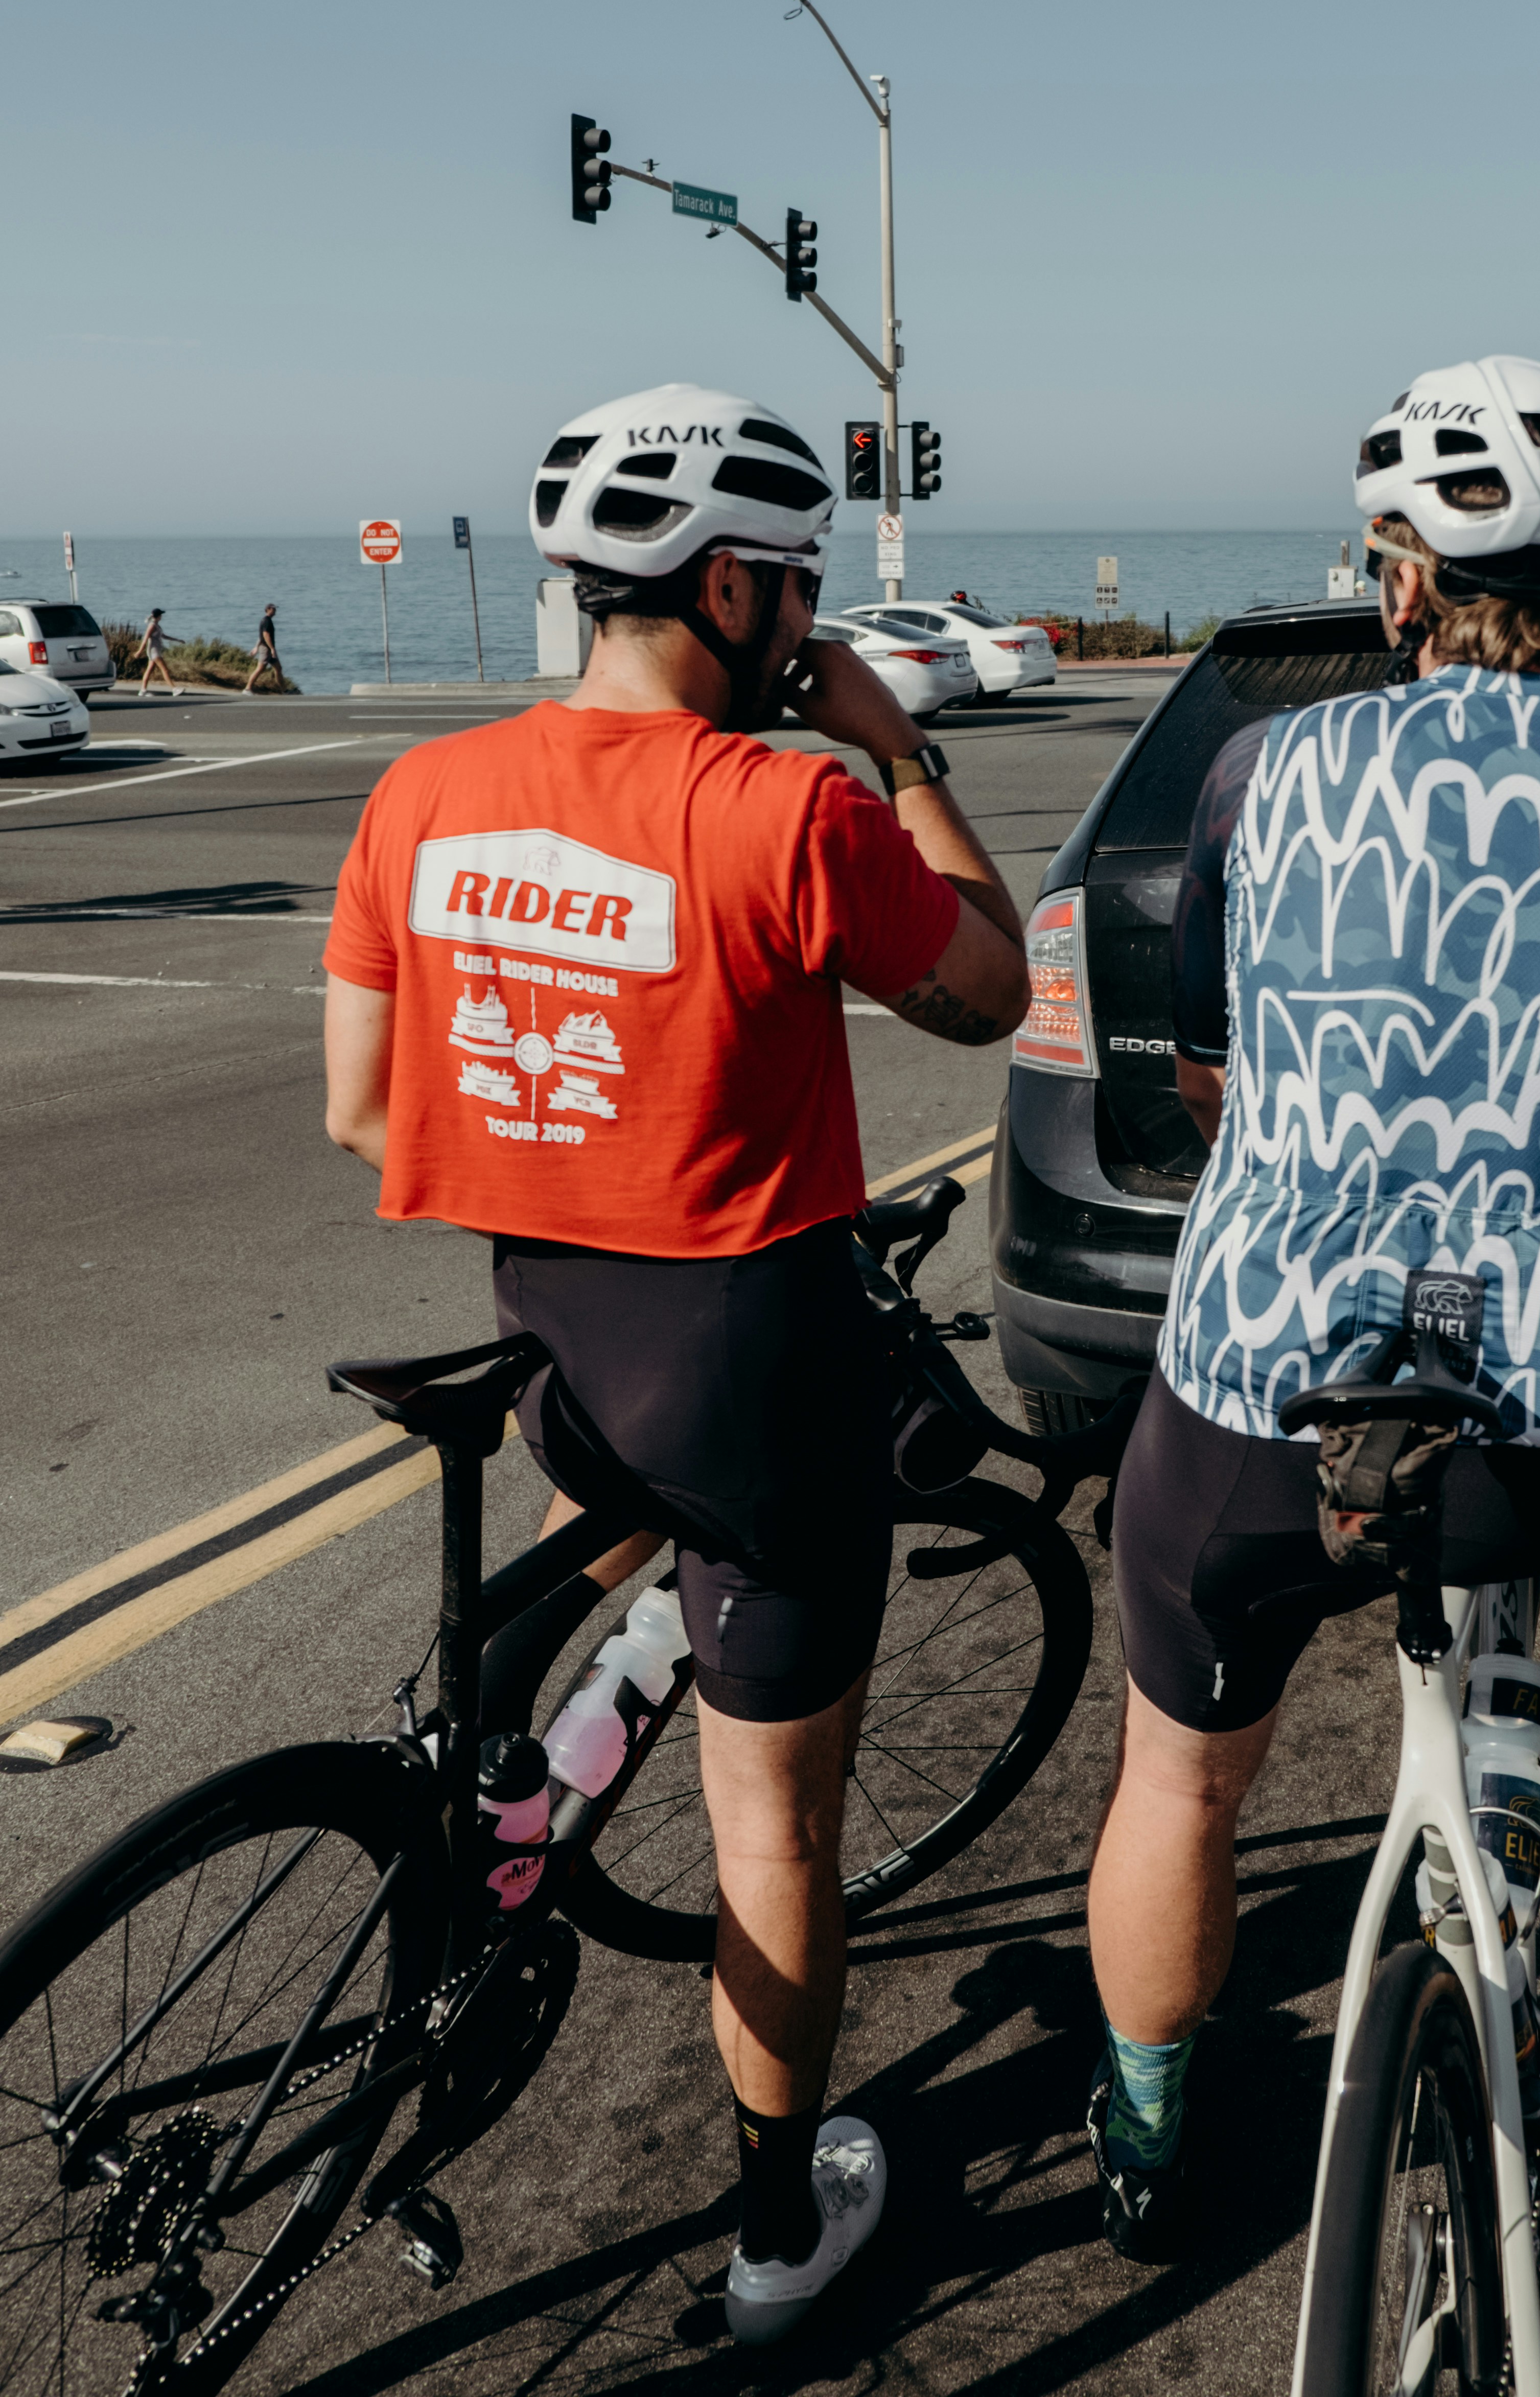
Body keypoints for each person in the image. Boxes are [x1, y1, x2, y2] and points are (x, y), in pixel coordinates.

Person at [1083, 358, 1540, 2258]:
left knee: (1175, 1774)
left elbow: (1209, 1077)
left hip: (1260, 1395)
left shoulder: (1266, 775)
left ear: (1397, 579)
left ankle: (1147, 2133)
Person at [321, 383, 1029, 2340]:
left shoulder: (421, 793)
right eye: (795, 588)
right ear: (729, 584)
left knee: (610, 1539)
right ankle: (777, 2231)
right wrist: (895, 742)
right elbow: (988, 989)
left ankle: (515, 1828)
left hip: (548, 1318)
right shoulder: (791, 802)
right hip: (752, 1359)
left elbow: (363, 1110)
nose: (804, 620)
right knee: (773, 1830)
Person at [135, 608, 176, 699]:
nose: (162, 616)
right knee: (165, 670)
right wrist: (140, 651)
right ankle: (174, 689)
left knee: (149, 671)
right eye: (161, 615)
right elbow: (145, 639)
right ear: (158, 617)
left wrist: (177, 640)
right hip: (154, 651)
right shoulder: (152, 626)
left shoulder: (157, 625)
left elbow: (164, 636)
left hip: (156, 650)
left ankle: (143, 691)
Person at [244, 604, 283, 692]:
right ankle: (247, 689)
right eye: (274, 609)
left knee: (279, 668)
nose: (275, 611)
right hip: (266, 649)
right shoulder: (266, 621)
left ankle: (284, 690)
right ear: (268, 609)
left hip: (268, 648)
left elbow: (261, 637)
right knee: (260, 669)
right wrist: (272, 649)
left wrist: (256, 647)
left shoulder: (268, 620)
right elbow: (265, 635)